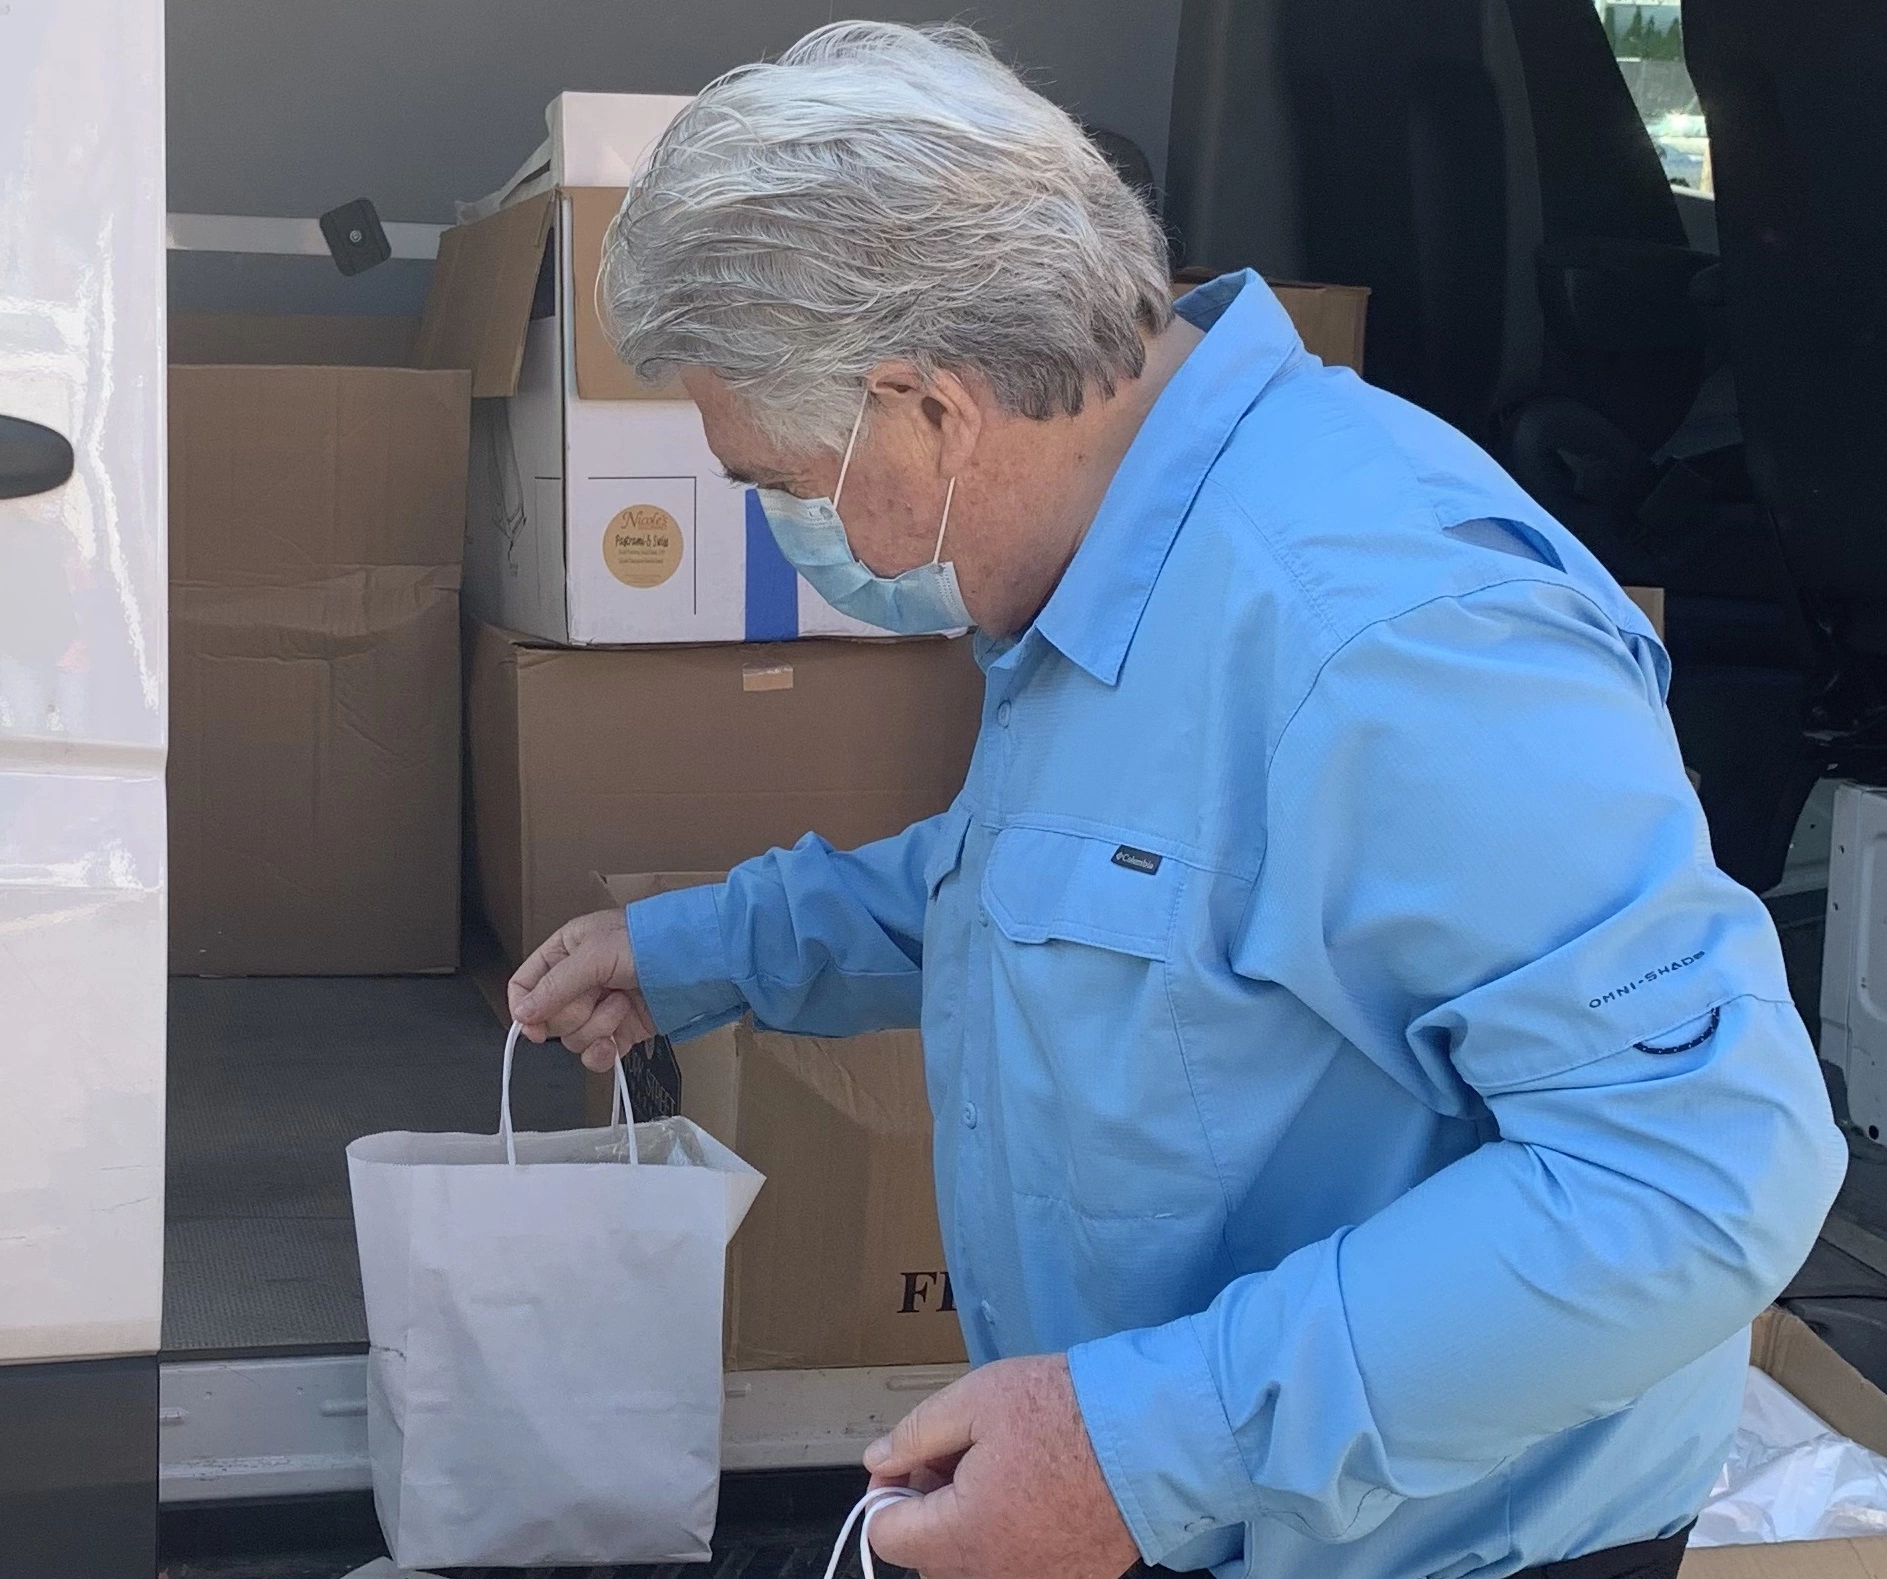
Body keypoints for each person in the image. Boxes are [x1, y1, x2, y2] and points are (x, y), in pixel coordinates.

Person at [509, 21, 1846, 1579]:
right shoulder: (1113, 559)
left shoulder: (1384, 633)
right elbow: (1058, 885)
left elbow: (1692, 1171)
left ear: (930, 410)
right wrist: (699, 948)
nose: (791, 527)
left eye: (782, 483)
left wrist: (1139, 1444)